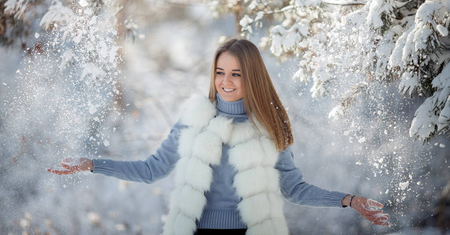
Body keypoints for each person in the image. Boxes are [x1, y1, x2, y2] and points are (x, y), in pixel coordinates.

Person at [48, 38, 390, 234]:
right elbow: (152, 169)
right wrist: (92, 164)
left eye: (236, 74)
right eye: (220, 72)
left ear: (251, 77)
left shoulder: (268, 128)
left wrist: (347, 200)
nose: (225, 81)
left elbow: (294, 189)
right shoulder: (194, 119)